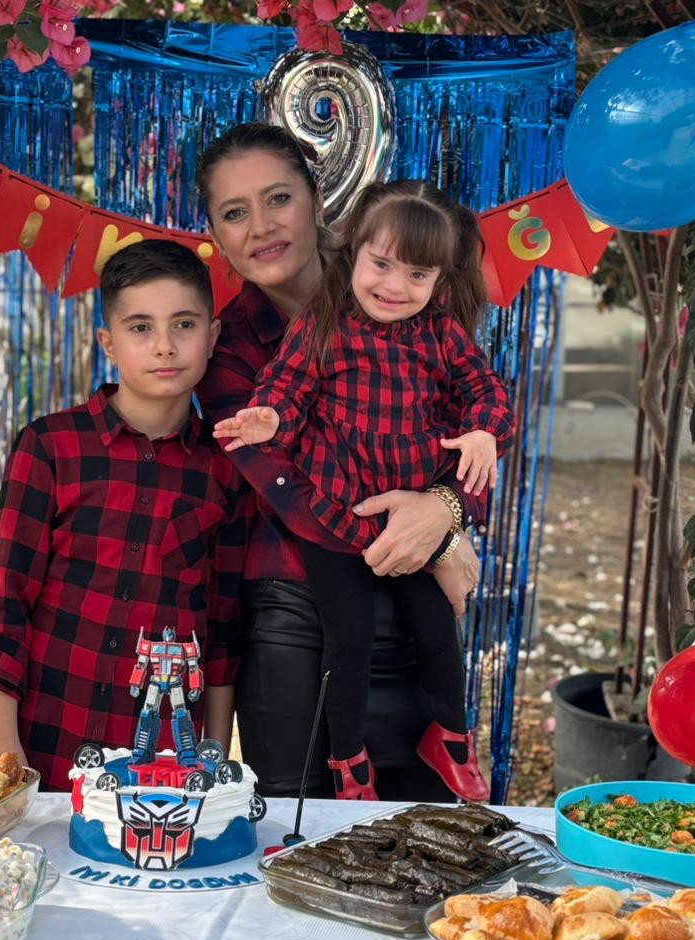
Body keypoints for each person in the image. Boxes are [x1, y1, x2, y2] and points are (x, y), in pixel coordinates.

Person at [195, 123, 492, 803]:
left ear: (319, 200)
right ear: (215, 233)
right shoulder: (227, 348)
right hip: (298, 617)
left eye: (279, 199)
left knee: (424, 827)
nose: (261, 226)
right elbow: (284, 487)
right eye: (235, 213)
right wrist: (424, 540)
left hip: (415, 611)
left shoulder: (403, 280)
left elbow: (471, 427)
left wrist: (447, 516)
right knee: (306, 829)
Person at [0, 240, 249, 790]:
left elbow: (223, 629)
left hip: (160, 762)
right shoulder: (50, 447)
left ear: (212, 336)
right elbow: (4, 603)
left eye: (184, 325)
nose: (164, 345)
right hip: (42, 742)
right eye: (141, 328)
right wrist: (1, 747)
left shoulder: (226, 471)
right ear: (108, 343)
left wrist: (210, 754)